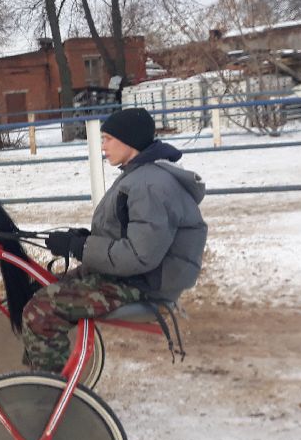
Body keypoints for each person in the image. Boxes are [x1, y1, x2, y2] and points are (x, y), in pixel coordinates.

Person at [21, 107, 208, 373]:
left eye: (108, 138)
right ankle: (36, 382)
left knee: (41, 310)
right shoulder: (139, 176)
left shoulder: (149, 185)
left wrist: (81, 247)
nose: (103, 146)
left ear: (128, 141)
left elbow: (139, 256)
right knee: (42, 289)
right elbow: (124, 235)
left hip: (142, 284)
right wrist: (81, 241)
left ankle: (49, 395)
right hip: (129, 277)